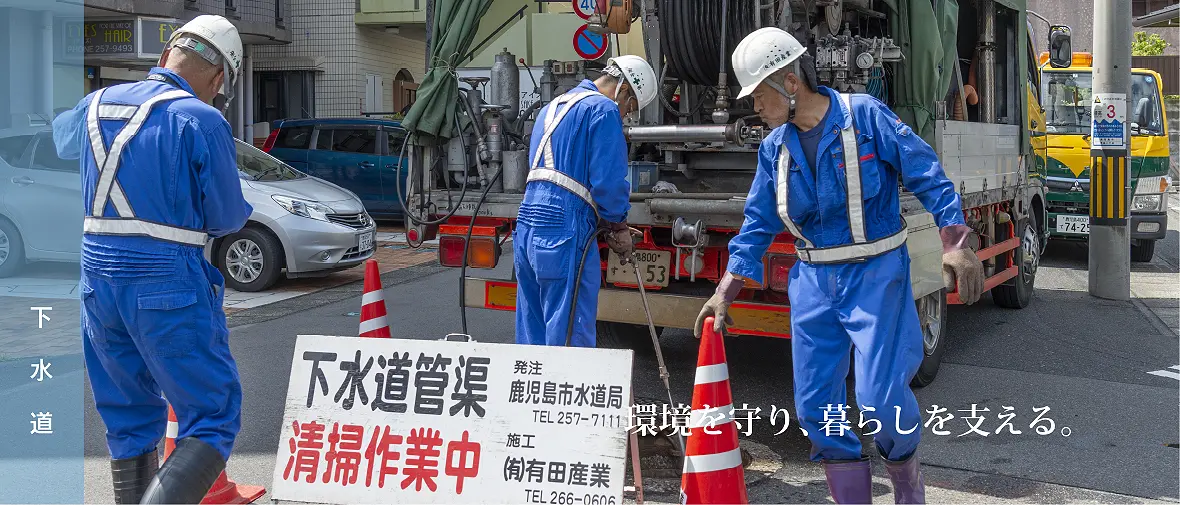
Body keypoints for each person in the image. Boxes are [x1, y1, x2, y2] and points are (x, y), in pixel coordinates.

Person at [694, 28, 985, 504]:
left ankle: (909, 493)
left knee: (880, 403)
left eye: (760, 95)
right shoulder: (775, 150)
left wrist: (955, 240)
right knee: (815, 409)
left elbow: (926, 172)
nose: (756, 107)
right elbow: (757, 225)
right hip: (811, 284)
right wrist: (725, 291)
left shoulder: (865, 117)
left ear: (790, 83)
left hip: (877, 275)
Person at [51, 15, 251, 505]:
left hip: (97, 281)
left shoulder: (94, 103)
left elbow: (59, 141)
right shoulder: (201, 119)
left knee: (129, 416)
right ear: (220, 77)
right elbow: (226, 218)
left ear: (164, 57)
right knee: (212, 415)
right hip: (166, 280)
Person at [514, 55, 657, 348]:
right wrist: (617, 225)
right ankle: (565, 391)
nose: (627, 115)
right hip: (564, 229)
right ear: (625, 90)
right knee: (570, 331)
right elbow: (608, 181)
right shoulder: (603, 110)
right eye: (631, 109)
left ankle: (535, 391)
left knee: (533, 327)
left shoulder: (551, 107)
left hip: (527, 224)